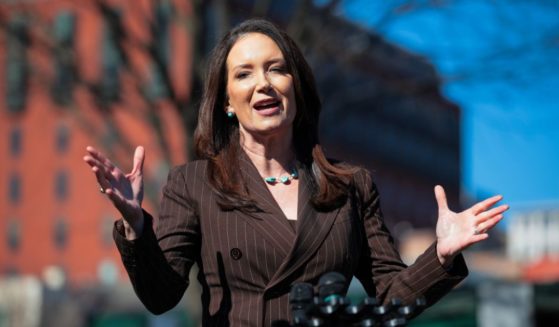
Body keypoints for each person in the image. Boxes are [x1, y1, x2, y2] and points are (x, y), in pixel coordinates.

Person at [83, 18, 508, 326]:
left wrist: (441, 255)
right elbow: (161, 296)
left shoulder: (350, 185)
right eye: (244, 74)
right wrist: (137, 226)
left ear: (295, 88)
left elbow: (391, 298)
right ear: (227, 102)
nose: (263, 83)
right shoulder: (194, 184)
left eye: (276, 68)